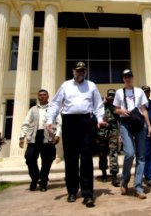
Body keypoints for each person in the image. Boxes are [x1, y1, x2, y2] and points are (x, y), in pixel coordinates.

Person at [46, 61, 105, 208]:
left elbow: (98, 104)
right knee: (71, 157)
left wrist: (100, 119)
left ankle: (88, 194)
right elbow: (55, 104)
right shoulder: (65, 85)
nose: (80, 73)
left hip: (86, 122)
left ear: (85, 72)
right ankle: (72, 191)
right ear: (73, 72)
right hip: (69, 121)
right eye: (78, 71)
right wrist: (50, 120)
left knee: (86, 157)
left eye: (82, 71)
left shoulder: (91, 85)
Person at [113, 69, 151, 199]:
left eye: (129, 76)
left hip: (140, 124)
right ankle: (124, 180)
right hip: (125, 124)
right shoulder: (119, 92)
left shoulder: (139, 91)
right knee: (129, 154)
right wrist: (121, 111)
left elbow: (143, 109)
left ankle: (138, 187)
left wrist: (149, 126)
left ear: (133, 77)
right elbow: (115, 110)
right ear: (123, 79)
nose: (127, 78)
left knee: (141, 156)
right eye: (125, 76)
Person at [19, 89, 61, 192]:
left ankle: (43, 182)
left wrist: (57, 135)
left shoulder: (53, 108)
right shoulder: (33, 109)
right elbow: (26, 123)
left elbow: (59, 122)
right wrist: (22, 137)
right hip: (34, 136)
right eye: (40, 95)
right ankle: (35, 178)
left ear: (48, 96)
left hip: (48, 136)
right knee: (30, 158)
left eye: (44, 95)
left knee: (47, 160)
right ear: (38, 97)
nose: (42, 96)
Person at [96, 88, 120, 187]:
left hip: (113, 131)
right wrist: (102, 103)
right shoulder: (101, 105)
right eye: (109, 95)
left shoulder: (117, 106)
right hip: (102, 132)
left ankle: (114, 175)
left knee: (113, 152)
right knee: (102, 153)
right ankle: (103, 172)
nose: (111, 97)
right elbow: (95, 113)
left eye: (113, 95)